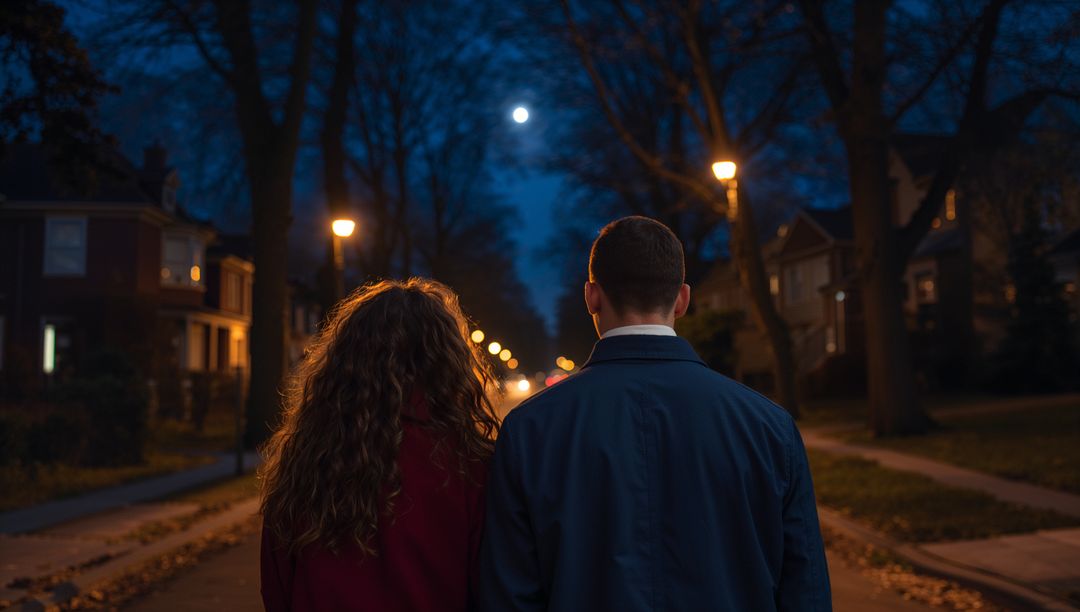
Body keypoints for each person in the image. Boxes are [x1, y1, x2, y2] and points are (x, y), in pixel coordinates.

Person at [478, 216, 831, 611]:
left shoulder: (529, 430)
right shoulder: (769, 428)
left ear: (592, 297)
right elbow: (805, 592)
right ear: (682, 299)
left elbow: (508, 596)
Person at [260, 279, 500, 612]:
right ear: (448, 364)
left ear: (344, 363)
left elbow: (278, 584)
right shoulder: (470, 465)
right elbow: (489, 585)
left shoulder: (307, 459)